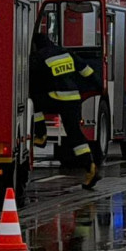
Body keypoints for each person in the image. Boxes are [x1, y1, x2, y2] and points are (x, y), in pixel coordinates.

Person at [30, 32, 102, 190]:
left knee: (33, 100)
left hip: (56, 99)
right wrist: (98, 89)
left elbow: (33, 81)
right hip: (73, 99)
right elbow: (88, 72)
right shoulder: (66, 53)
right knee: (75, 134)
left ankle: (41, 135)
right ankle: (90, 167)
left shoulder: (39, 57)